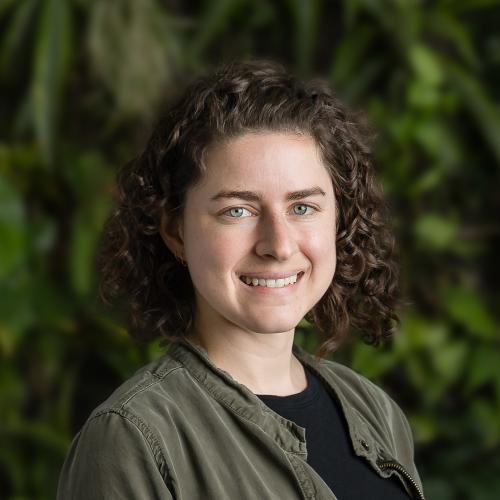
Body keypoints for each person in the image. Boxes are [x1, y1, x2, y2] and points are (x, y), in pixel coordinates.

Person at [57, 59, 425, 500]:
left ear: (338, 219)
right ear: (175, 231)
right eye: (238, 211)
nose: (278, 245)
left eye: (302, 207)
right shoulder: (133, 438)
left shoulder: (376, 411)